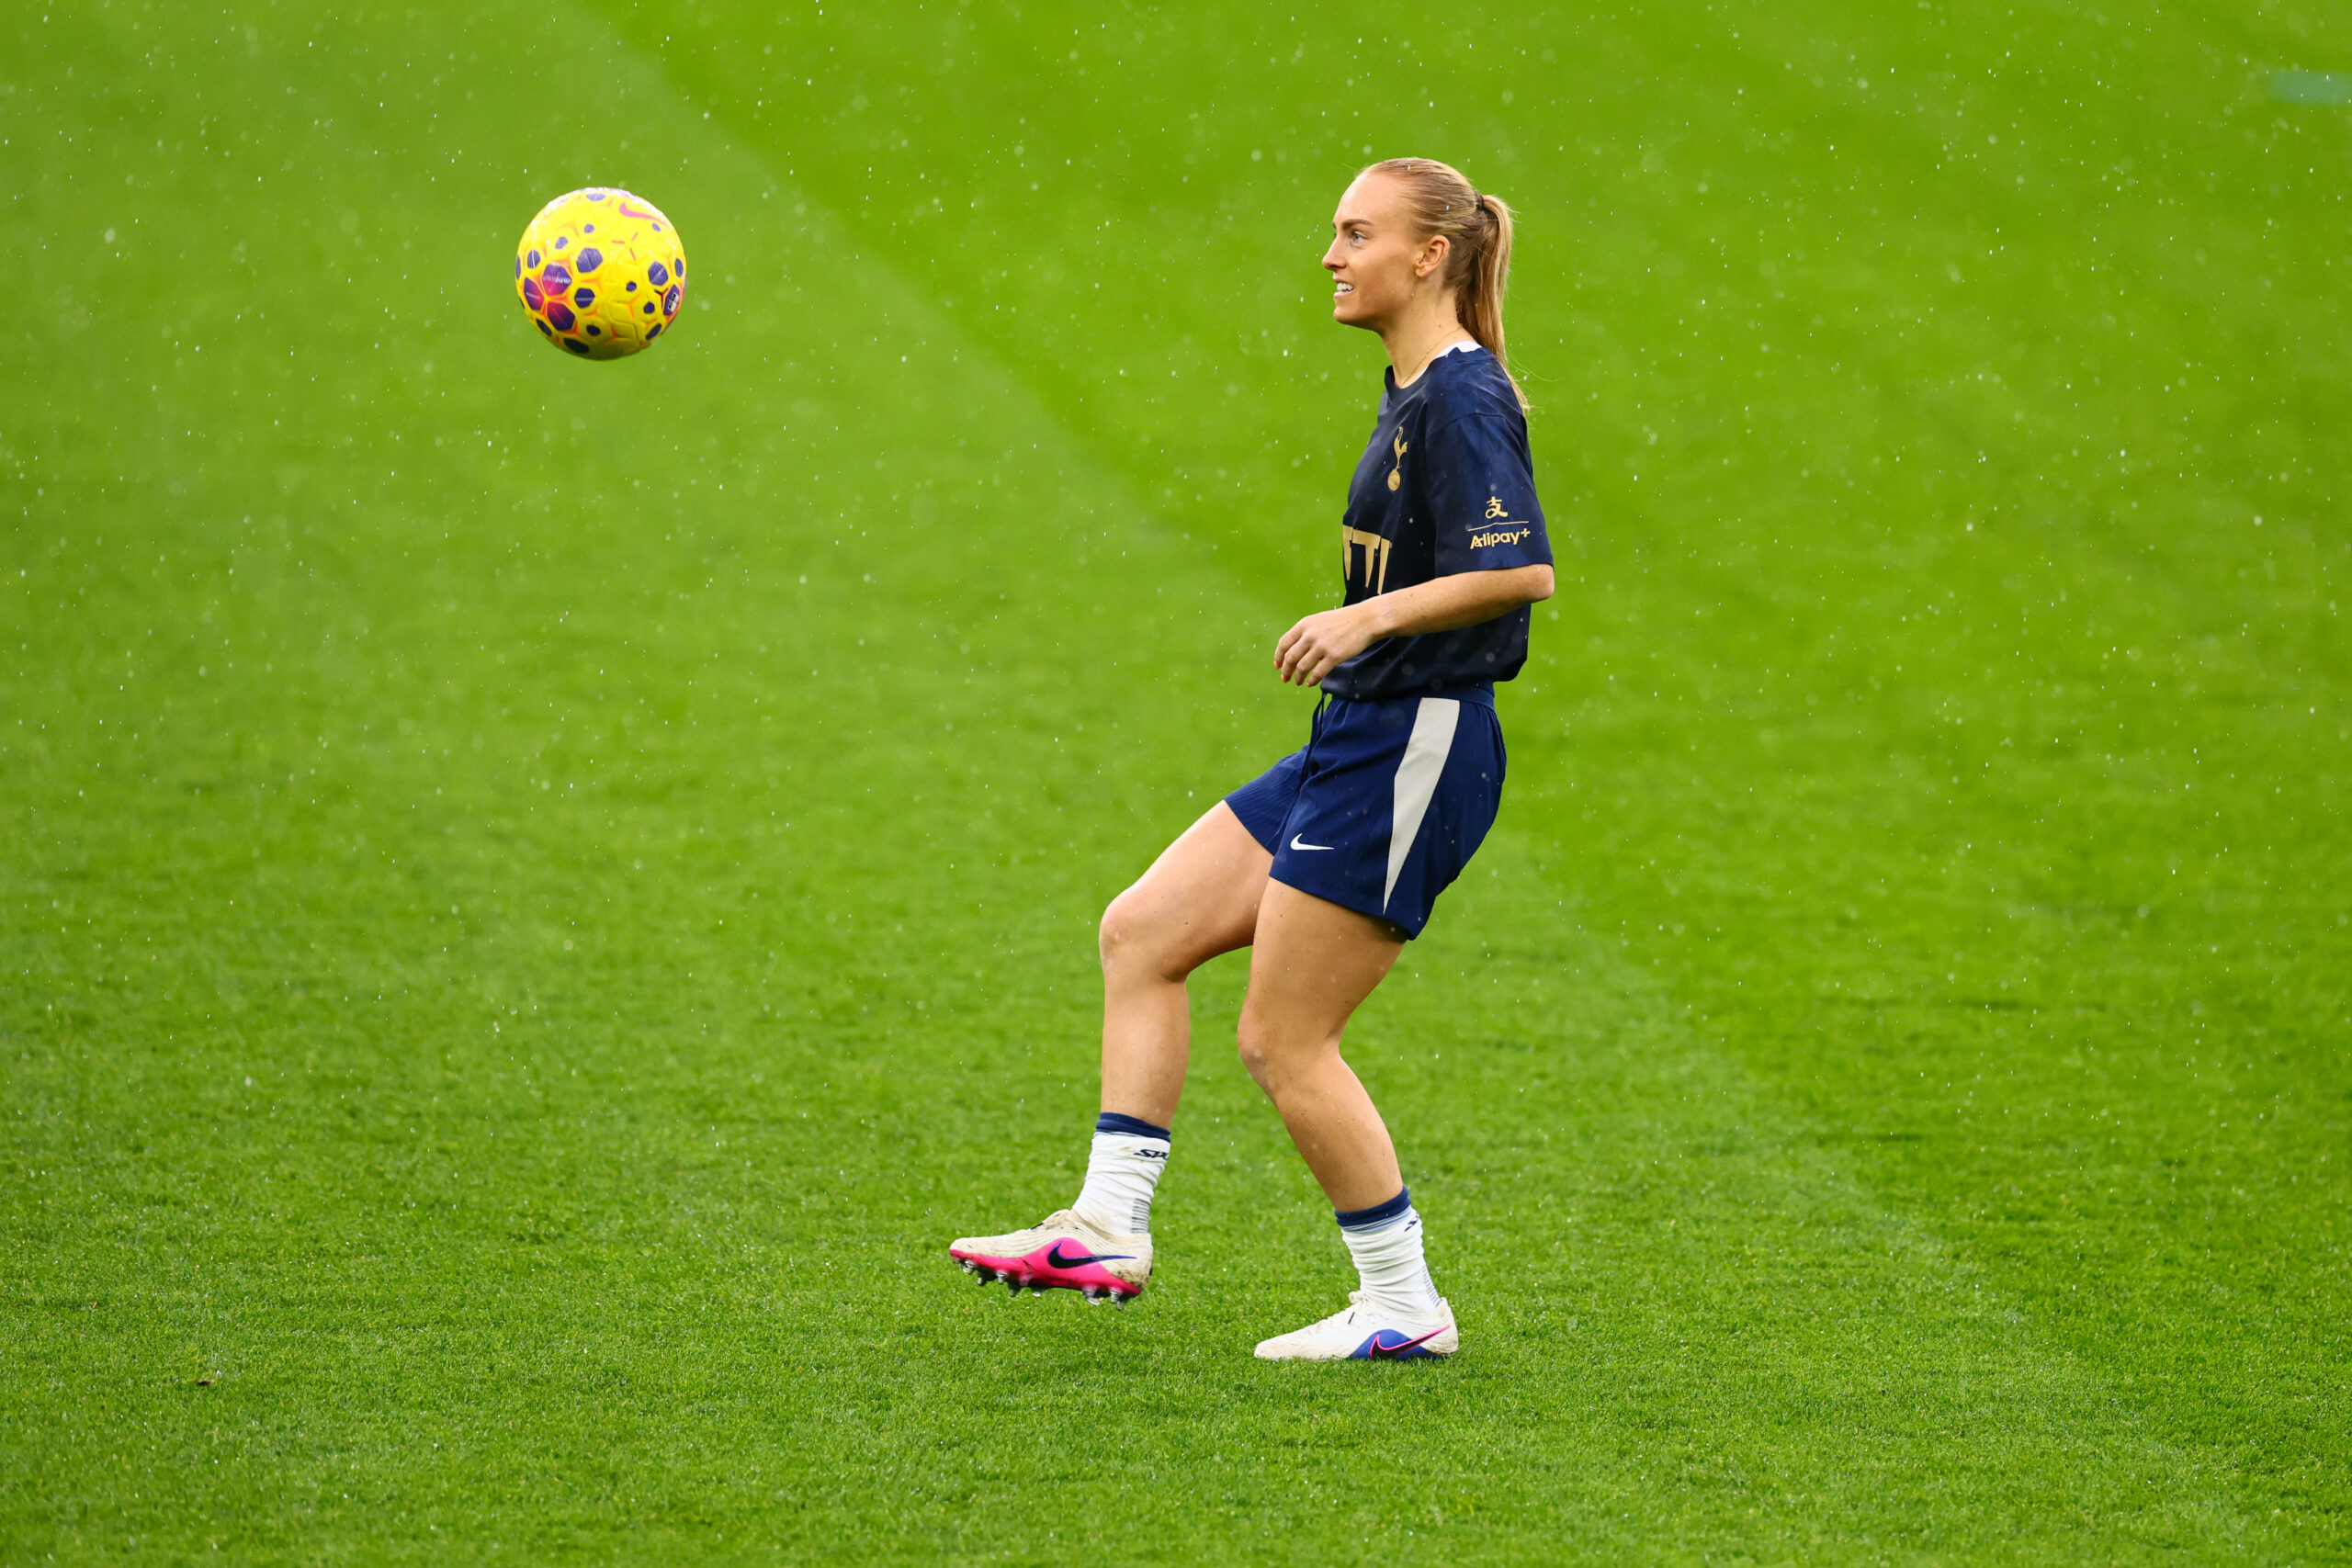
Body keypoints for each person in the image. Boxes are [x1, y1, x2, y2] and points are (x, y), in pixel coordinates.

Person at [949, 157, 1553, 1361]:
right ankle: (1108, 1227)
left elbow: (1522, 567)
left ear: (1429, 254)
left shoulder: (1461, 400)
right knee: (1143, 930)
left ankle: (1402, 1304)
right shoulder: (1410, 388)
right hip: (1358, 738)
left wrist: (1367, 619)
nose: (1331, 255)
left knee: (1284, 1040)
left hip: (1418, 743)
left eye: (1355, 232)